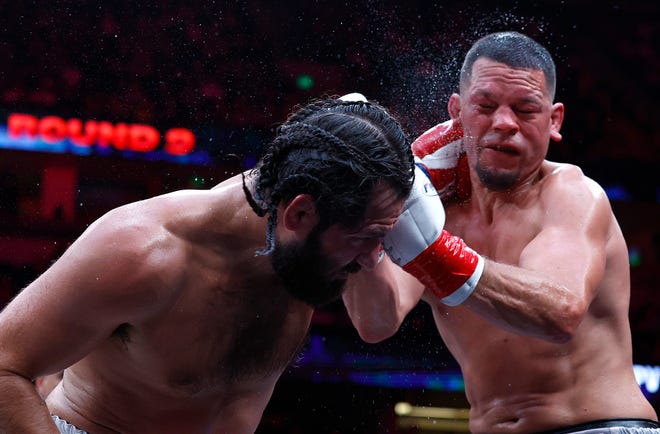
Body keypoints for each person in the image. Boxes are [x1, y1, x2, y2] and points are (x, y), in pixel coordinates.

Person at [0, 95, 415, 434]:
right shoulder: (144, 251)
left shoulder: (302, 234)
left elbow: (378, 322)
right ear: (300, 215)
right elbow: (4, 366)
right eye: (364, 239)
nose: (371, 258)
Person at [344, 31, 659, 433]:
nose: (504, 123)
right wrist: (364, 223)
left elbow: (558, 313)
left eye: (526, 109)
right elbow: (376, 321)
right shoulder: (437, 213)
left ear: (554, 120)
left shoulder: (571, 195)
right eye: (486, 105)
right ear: (457, 113)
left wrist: (431, 248)